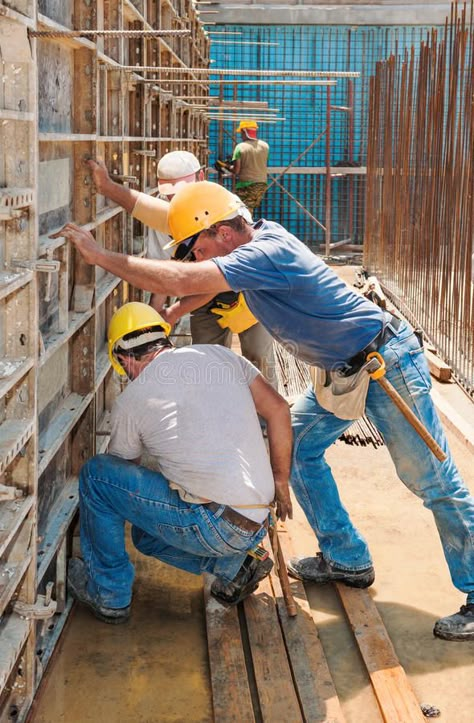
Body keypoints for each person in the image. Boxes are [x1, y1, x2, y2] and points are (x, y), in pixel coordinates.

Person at [54, 181, 474, 641]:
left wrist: (99, 256)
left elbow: (177, 279)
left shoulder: (266, 253)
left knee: (433, 482)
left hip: (384, 365)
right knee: (294, 446)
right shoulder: (254, 242)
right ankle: (346, 557)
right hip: (346, 370)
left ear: (222, 233)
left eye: (197, 248)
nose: (196, 258)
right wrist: (170, 308)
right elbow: (196, 277)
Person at [67, 302, 292, 624]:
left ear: (124, 358)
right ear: (163, 338)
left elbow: (121, 477)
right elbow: (279, 410)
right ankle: (237, 566)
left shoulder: (132, 400)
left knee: (97, 476)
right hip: (257, 520)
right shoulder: (218, 356)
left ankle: (109, 594)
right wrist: (280, 479)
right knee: (146, 536)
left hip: (213, 525)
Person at [87, 153, 278, 387]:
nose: (176, 204)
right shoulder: (168, 209)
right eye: (169, 198)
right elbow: (164, 274)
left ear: (201, 177)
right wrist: (155, 321)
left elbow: (218, 279)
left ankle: (266, 418)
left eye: (179, 196)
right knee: (206, 362)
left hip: (245, 290)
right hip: (201, 291)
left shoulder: (224, 207)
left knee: (258, 355)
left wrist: (174, 312)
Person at [231, 120, 269, 216]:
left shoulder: (240, 147)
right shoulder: (265, 146)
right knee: (248, 210)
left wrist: (227, 167)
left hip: (246, 185)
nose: (241, 135)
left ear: (244, 131)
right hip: (262, 184)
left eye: (241, 133)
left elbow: (236, 170)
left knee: (240, 210)